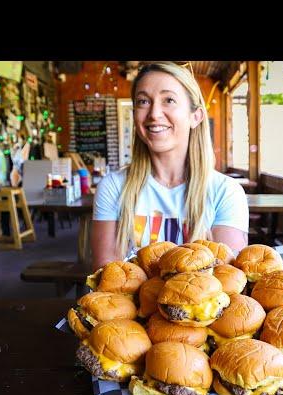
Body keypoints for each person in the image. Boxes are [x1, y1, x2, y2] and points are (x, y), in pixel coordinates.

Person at [91, 62, 249, 271]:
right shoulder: (113, 186)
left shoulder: (226, 192)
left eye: (169, 100)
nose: (154, 113)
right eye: (143, 101)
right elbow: (106, 273)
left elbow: (226, 279)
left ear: (196, 116)